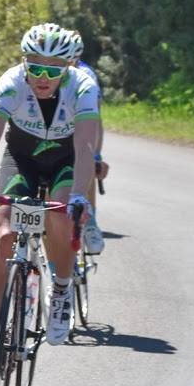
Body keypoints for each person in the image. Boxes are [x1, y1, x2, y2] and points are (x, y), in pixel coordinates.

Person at [0, 22, 103, 374]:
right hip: (21, 159)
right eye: (35, 66)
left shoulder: (82, 87)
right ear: (24, 62)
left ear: (68, 67)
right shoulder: (11, 83)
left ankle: (61, 290)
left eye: (53, 69)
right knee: (5, 235)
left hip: (65, 160)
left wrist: (80, 197)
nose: (42, 77)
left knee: (60, 215)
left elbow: (84, 148)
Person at [64, 29, 107, 255]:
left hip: (80, 128)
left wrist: (96, 153)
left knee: (85, 163)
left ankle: (91, 224)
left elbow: (96, 120)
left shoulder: (86, 75)